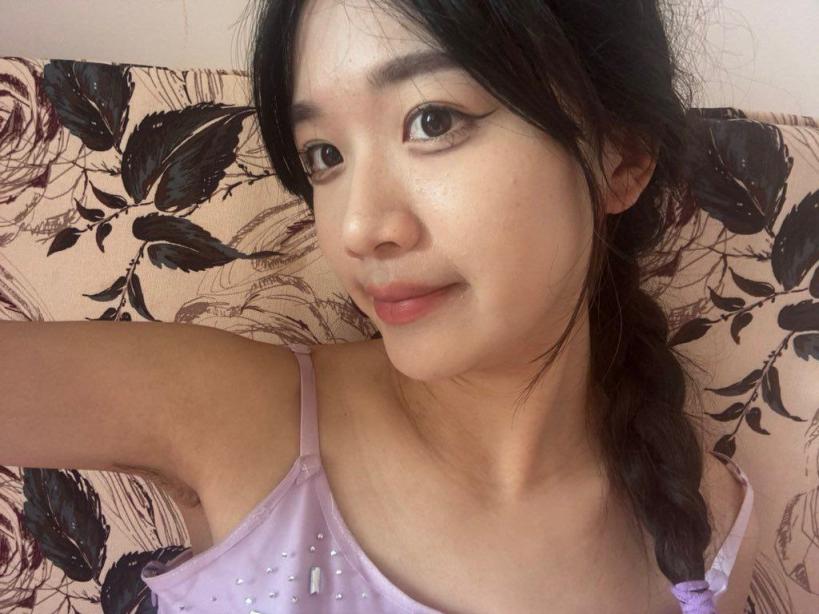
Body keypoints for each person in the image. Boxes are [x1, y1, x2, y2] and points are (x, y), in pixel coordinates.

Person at [0, 0, 757, 612]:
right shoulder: (241, 415)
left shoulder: (710, 530)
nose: (357, 230)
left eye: (433, 120)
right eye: (324, 155)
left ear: (620, 158)